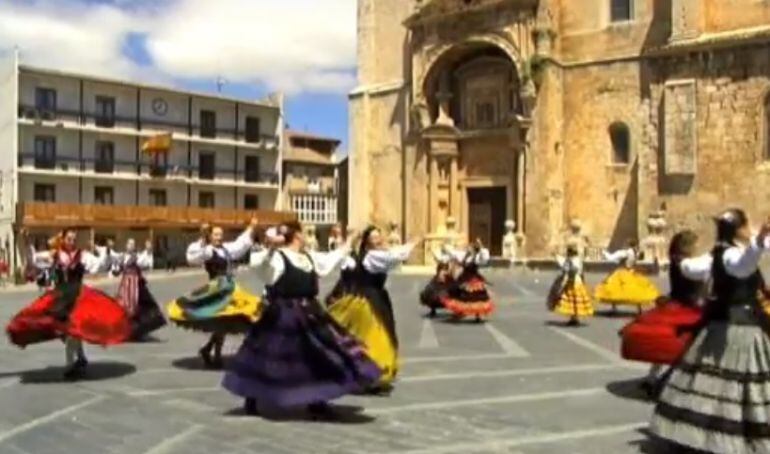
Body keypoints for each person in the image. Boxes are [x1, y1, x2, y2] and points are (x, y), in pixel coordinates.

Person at [223, 221, 381, 418]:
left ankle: (317, 399)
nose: (307, 236)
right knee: (269, 356)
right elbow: (261, 267)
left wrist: (350, 240)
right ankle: (253, 396)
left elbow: (331, 258)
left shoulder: (308, 257)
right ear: (297, 235)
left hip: (310, 311)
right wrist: (271, 248)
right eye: (304, 233)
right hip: (283, 313)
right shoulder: (278, 258)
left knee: (318, 353)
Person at [650, 209, 770, 453]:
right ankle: (735, 437)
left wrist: (679, 260)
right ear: (739, 229)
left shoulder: (714, 255)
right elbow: (743, 265)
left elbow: (690, 268)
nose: (751, 229)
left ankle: (698, 432)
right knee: (739, 384)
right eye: (747, 225)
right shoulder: (732, 256)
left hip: (717, 326)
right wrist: (758, 244)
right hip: (740, 330)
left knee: (709, 383)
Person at [6, 228, 131, 380]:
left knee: (73, 330)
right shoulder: (55, 254)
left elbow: (100, 265)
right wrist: (27, 243)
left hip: (78, 297)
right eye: (69, 239)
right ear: (63, 239)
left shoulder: (82, 255)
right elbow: (34, 260)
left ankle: (70, 364)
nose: (72, 242)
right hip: (60, 298)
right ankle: (80, 358)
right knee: (69, 331)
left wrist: (108, 251)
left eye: (74, 239)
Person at [326, 226, 419, 391]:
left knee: (369, 337)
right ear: (367, 242)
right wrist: (412, 244)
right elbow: (394, 257)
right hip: (370, 301)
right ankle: (370, 372)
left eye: (379, 236)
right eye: (374, 237)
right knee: (375, 337)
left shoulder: (368, 255)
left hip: (370, 299)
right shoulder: (372, 256)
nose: (378, 239)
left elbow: (392, 254)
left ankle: (364, 372)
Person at [619, 230, 704, 398]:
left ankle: (653, 378)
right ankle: (670, 381)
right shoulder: (690, 265)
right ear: (689, 246)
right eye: (696, 245)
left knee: (664, 347)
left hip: (674, 304)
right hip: (689, 308)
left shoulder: (675, 262)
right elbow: (695, 290)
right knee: (689, 347)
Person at [167, 219, 261, 369]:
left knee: (225, 321)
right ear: (210, 236)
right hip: (216, 289)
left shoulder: (225, 249)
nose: (219, 237)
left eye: (221, 234)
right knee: (221, 321)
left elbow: (240, 244)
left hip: (229, 288)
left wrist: (251, 227)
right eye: (216, 235)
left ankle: (210, 350)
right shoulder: (208, 250)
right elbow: (193, 256)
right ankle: (214, 354)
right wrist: (202, 237)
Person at [112, 239, 166, 341]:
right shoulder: (122, 257)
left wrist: (148, 250)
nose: (131, 246)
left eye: (133, 244)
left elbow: (145, 262)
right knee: (122, 306)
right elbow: (117, 270)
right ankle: (124, 330)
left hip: (135, 285)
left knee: (136, 307)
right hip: (125, 285)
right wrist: (115, 271)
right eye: (129, 244)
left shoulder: (137, 257)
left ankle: (137, 330)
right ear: (126, 245)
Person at [595, 239, 660, 314]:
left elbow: (611, 258)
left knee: (615, 288)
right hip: (630, 271)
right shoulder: (633, 253)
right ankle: (638, 307)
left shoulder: (626, 253)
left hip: (624, 271)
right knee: (634, 289)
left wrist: (604, 253)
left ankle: (615, 306)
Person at [441, 239, 494, 322]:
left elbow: (485, 258)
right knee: (457, 292)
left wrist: (481, 246)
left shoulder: (477, 257)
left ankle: (477, 314)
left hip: (473, 278)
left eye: (469, 247)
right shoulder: (465, 256)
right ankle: (459, 312)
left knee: (476, 296)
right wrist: (446, 248)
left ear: (473, 249)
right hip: (464, 277)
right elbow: (454, 255)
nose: (467, 248)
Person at [547, 245, 593, 326]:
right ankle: (574, 318)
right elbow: (577, 270)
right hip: (576, 280)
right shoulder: (576, 259)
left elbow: (572, 269)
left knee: (572, 299)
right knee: (574, 300)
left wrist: (567, 275)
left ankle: (574, 318)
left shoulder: (573, 260)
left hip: (573, 281)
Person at [420, 244, 454, 318]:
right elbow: (437, 257)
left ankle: (454, 308)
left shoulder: (448, 258)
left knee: (448, 292)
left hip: (445, 277)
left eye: (444, 249)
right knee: (432, 292)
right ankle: (433, 309)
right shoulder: (442, 257)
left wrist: (447, 273)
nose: (443, 250)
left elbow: (449, 267)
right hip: (439, 277)